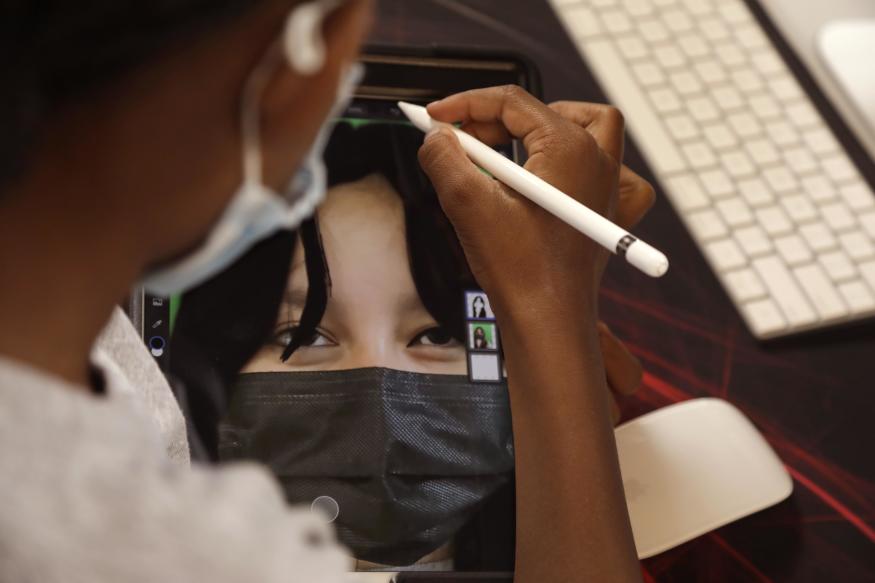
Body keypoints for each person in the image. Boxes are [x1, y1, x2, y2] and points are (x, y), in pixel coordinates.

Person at [0, 1, 655, 582]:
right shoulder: (134, 537)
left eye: (433, 333)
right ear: (302, 59)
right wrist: (551, 315)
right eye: (303, 332)